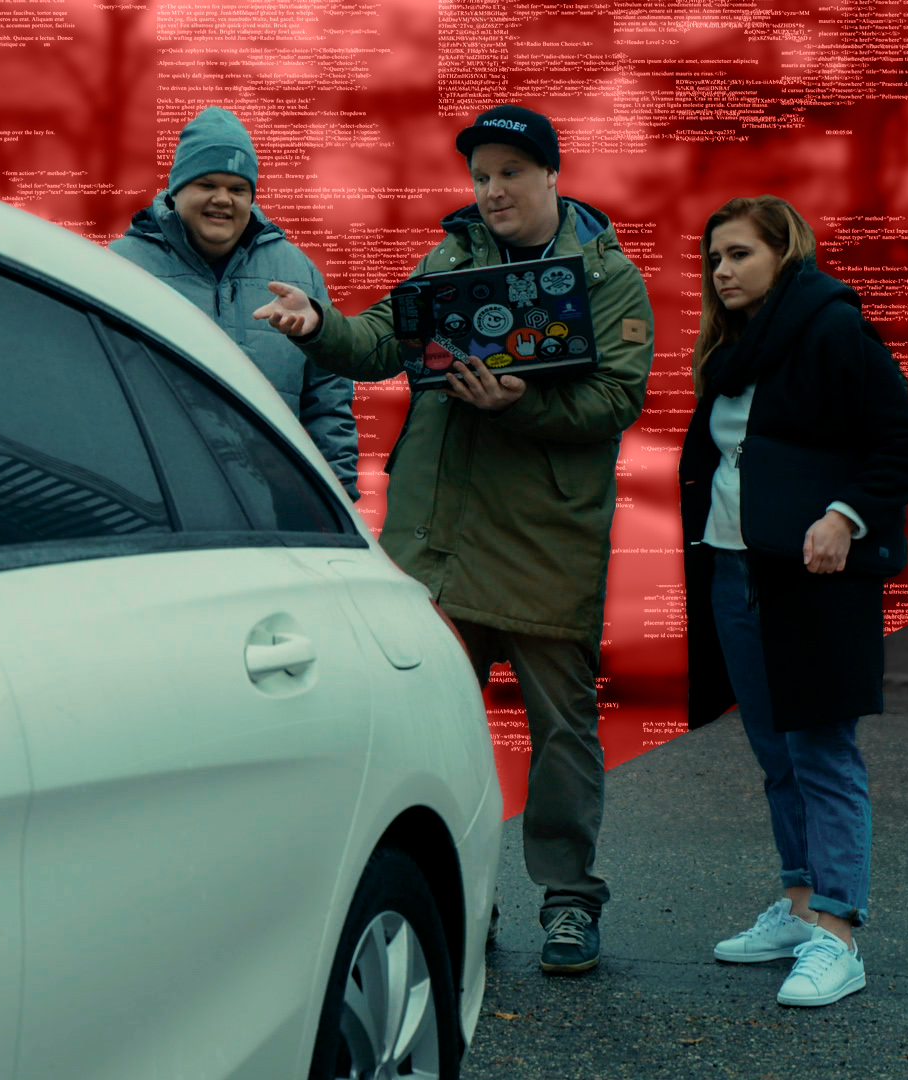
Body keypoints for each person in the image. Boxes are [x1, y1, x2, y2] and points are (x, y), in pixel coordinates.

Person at [252, 103, 654, 974]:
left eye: (510, 172)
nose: (492, 190)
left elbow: (617, 400)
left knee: (561, 733)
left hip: (545, 541)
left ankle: (569, 902)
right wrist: (319, 324)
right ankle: (465, 892)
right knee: (434, 729)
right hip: (438, 540)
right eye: (480, 175)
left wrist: (523, 404)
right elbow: (381, 341)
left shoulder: (608, 277)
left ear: (551, 175)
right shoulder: (452, 257)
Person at [677, 196, 908, 1007]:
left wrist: (843, 515)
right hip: (733, 570)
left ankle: (838, 932)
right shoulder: (735, 348)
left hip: (815, 576)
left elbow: (904, 445)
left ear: (785, 254)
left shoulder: (833, 329)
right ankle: (797, 906)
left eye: (740, 254)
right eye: (715, 258)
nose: (722, 271)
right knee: (775, 754)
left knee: (823, 752)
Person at [110, 107, 359, 499]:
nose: (222, 199)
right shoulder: (120, 268)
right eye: (206, 184)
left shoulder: (297, 273)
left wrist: (337, 494)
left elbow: (328, 396)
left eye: (238, 189)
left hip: (276, 502)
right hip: (155, 498)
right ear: (176, 190)